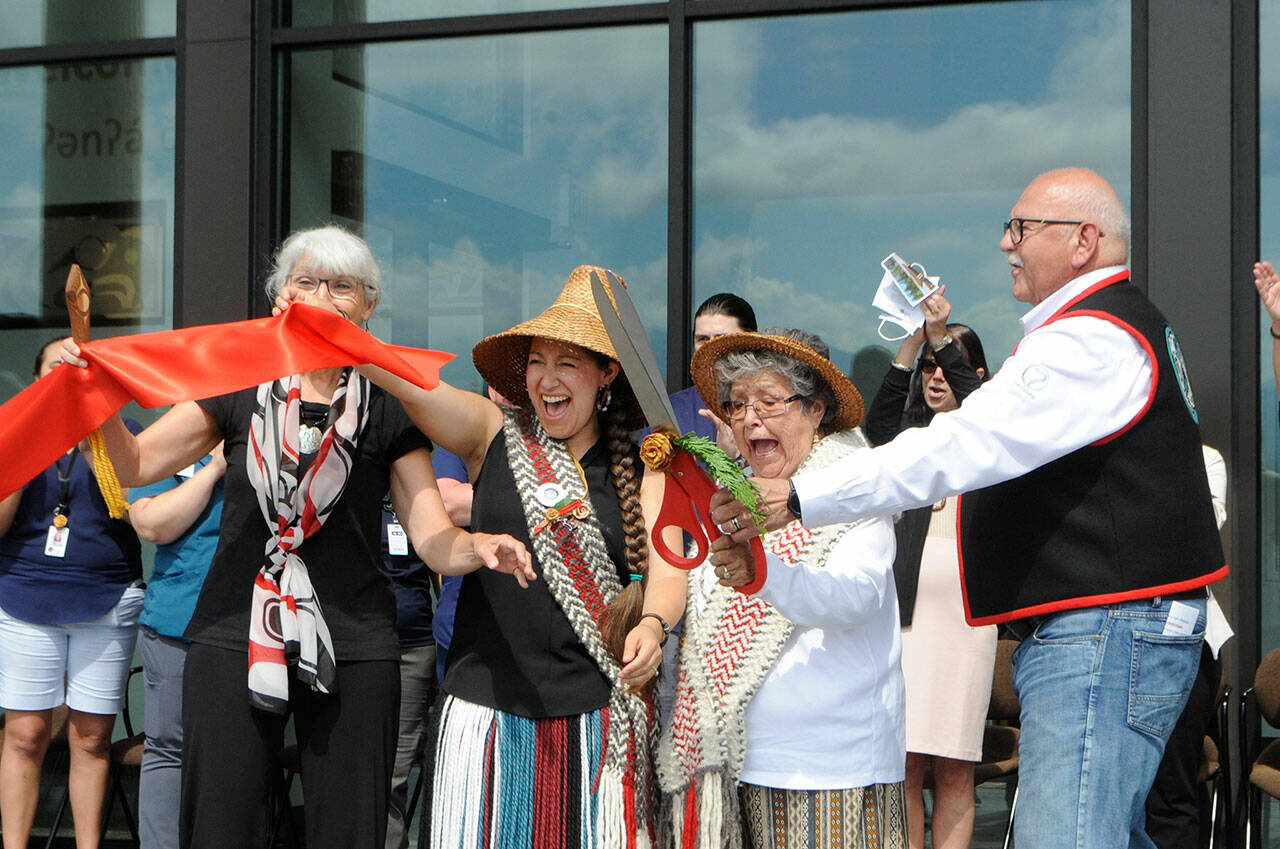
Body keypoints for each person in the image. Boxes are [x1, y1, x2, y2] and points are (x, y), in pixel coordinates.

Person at [710, 168, 1227, 849]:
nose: (1005, 243)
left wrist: (804, 495)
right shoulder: (1101, 329)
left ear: (1084, 240)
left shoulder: (1092, 338)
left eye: (1021, 227)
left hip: (1106, 631)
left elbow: (964, 441)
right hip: (1104, 630)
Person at [60, 224, 531, 849]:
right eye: (306, 282)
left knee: (347, 831)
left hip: (355, 638)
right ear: (281, 299)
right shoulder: (235, 384)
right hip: (233, 629)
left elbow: (433, 540)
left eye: (341, 286)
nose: (322, 296)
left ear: (367, 307)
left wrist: (480, 547)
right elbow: (135, 465)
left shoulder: (390, 405)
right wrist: (95, 398)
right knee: (220, 828)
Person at [325, 265, 685, 848]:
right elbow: (410, 385)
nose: (547, 379)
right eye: (537, 362)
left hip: (595, 721)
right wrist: (340, 338)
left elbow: (670, 571)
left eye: (567, 363)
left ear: (607, 374)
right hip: (485, 712)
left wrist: (653, 623)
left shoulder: (647, 464)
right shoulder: (493, 430)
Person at [655, 328, 905, 849]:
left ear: (816, 412)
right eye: (738, 403)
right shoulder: (731, 494)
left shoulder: (853, 488)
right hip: (731, 773)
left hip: (832, 774)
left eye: (769, 402)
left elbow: (853, 597)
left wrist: (762, 573)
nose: (750, 418)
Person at [0, 337, 145, 849]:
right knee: (25, 735)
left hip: (105, 596)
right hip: (24, 596)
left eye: (78, 369)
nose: (66, 376)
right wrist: (20, 453)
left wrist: (98, 447)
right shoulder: (11, 432)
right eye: (54, 369)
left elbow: (142, 514)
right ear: (37, 381)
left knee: (91, 738)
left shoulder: (124, 434)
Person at [865, 291, 994, 849]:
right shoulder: (908, 442)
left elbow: (980, 402)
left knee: (956, 766)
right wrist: (912, 342)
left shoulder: (991, 438)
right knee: (906, 760)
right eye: (929, 368)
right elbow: (870, 430)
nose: (936, 375)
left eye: (948, 365)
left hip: (967, 618)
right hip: (908, 612)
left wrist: (940, 336)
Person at [128, 444, 226, 849]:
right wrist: (216, 466)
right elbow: (153, 525)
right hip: (176, 621)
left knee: (234, 755)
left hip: (249, 627)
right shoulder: (168, 444)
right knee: (169, 750)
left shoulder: (270, 435)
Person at [1143, 445, 1234, 849]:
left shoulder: (1203, 457)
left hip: (1184, 640)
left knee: (1170, 794)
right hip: (1111, 635)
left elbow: (1200, 527)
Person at [380, 494, 436, 849]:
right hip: (348, 651)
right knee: (349, 776)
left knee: (393, 778)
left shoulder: (421, 494)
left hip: (413, 647)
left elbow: (442, 569)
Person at [668, 293, 757, 439]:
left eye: (722, 338)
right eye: (702, 339)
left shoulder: (773, 404)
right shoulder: (674, 411)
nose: (711, 347)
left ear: (751, 341)